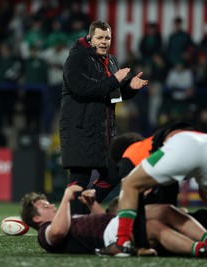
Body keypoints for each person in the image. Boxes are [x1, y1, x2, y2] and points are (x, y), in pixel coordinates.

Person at [100, 122, 207, 260]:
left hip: (184, 144)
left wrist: (142, 243)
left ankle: (121, 243)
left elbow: (133, 193)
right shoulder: (156, 151)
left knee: (129, 184)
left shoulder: (132, 152)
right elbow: (168, 202)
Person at [59, 20, 148, 214]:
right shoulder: (76, 59)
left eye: (107, 38)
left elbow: (112, 94)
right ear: (90, 38)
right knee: (80, 178)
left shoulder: (111, 61)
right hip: (79, 129)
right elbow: (82, 88)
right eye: (100, 37)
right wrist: (113, 80)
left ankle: (81, 208)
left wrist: (129, 88)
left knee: (115, 172)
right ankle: (69, 222)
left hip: (103, 131)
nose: (104, 42)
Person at [20, 185, 207, 258]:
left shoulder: (67, 218)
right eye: (45, 206)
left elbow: (103, 218)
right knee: (154, 227)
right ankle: (203, 249)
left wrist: (92, 205)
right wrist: (66, 197)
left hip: (115, 223)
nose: (52, 206)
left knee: (166, 210)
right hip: (111, 237)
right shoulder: (44, 232)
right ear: (37, 218)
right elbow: (58, 233)